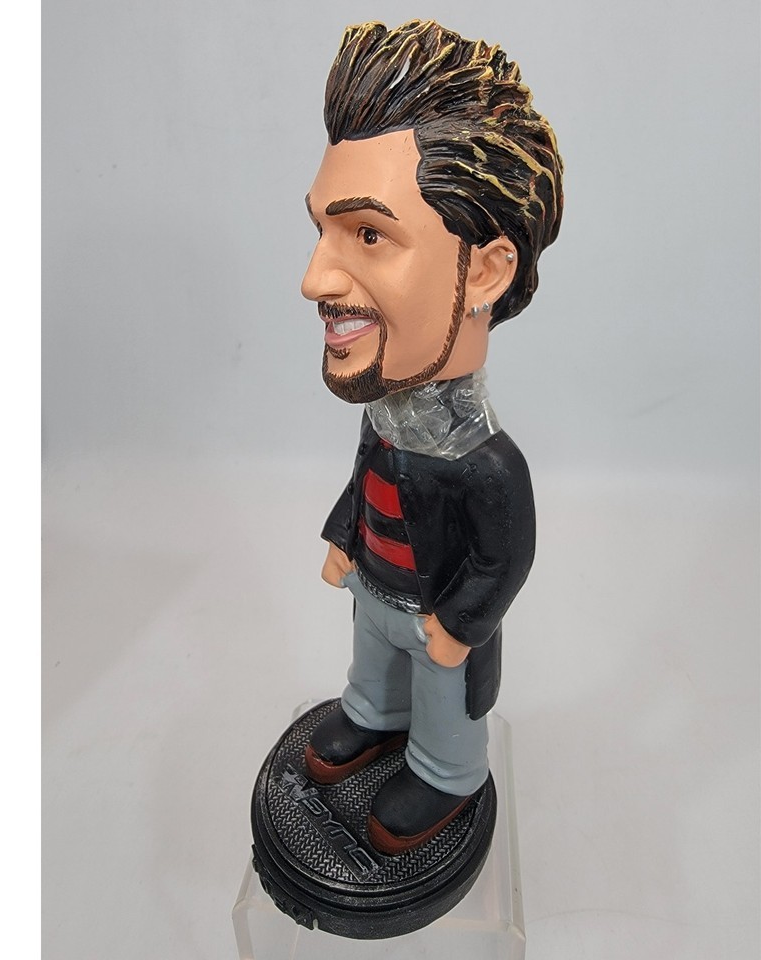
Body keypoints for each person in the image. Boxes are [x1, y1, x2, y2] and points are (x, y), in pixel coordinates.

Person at [300, 19, 564, 856]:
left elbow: (505, 557)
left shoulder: (486, 464)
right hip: (376, 593)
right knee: (372, 672)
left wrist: (461, 622)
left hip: (438, 623)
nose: (313, 278)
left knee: (444, 709)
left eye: (368, 235)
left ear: (483, 270)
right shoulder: (385, 418)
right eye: (323, 231)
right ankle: (375, 714)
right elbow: (366, 480)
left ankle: (445, 772)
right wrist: (344, 536)